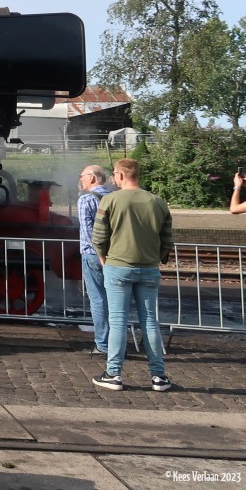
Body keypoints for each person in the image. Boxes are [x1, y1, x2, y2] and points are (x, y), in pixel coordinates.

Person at [91, 158, 174, 392]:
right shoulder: (157, 202)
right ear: (137, 175)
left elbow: (98, 236)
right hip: (149, 268)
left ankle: (113, 374)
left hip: (117, 266)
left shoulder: (110, 200)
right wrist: (156, 258)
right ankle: (159, 377)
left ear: (119, 175)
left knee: (118, 321)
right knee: (150, 321)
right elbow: (167, 239)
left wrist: (103, 258)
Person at [77, 165, 112, 355]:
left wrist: (100, 254)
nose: (80, 179)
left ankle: (103, 345)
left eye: (82, 176)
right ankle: (117, 343)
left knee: (98, 300)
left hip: (92, 255)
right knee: (115, 301)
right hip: (115, 255)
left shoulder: (86, 199)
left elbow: (88, 231)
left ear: (91, 178)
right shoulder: (114, 197)